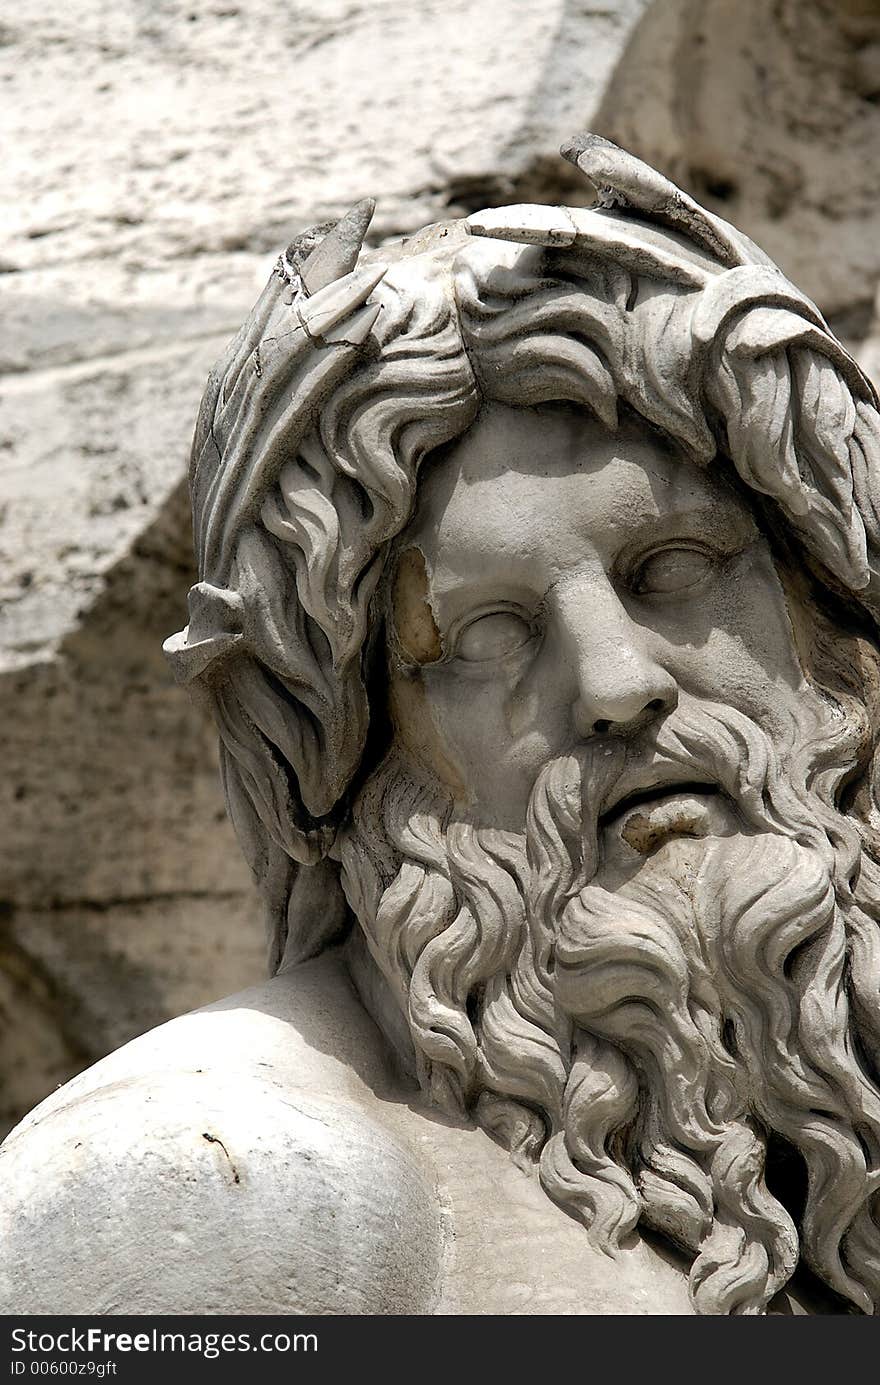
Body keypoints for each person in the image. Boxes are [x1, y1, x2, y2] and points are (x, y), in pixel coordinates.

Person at [3, 135, 880, 1316]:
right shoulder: (215, 1193)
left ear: (824, 598)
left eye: (672, 565)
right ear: (361, 755)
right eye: (481, 638)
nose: (617, 685)